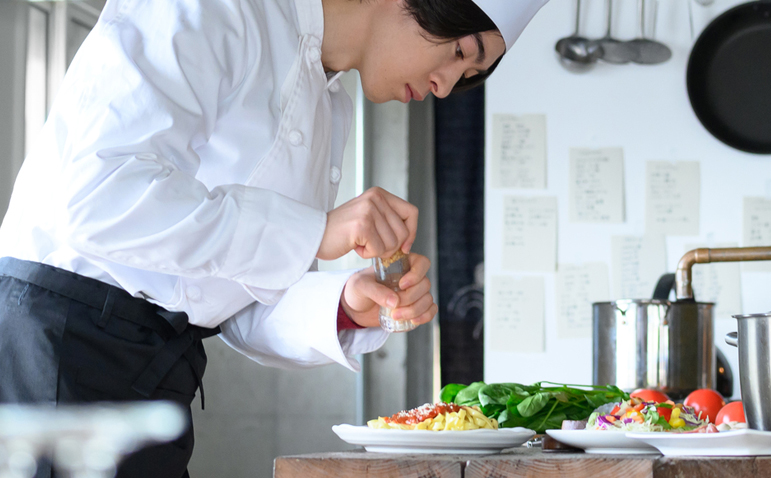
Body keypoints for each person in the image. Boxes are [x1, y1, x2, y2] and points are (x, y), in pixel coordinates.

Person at [0, 0, 548, 476]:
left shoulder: (331, 104)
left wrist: (345, 304)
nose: (446, 86)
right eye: (460, 51)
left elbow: (224, 295)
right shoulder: (224, 11)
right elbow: (99, 196)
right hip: (59, 347)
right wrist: (314, 231)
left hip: (156, 370)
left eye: (470, 74)